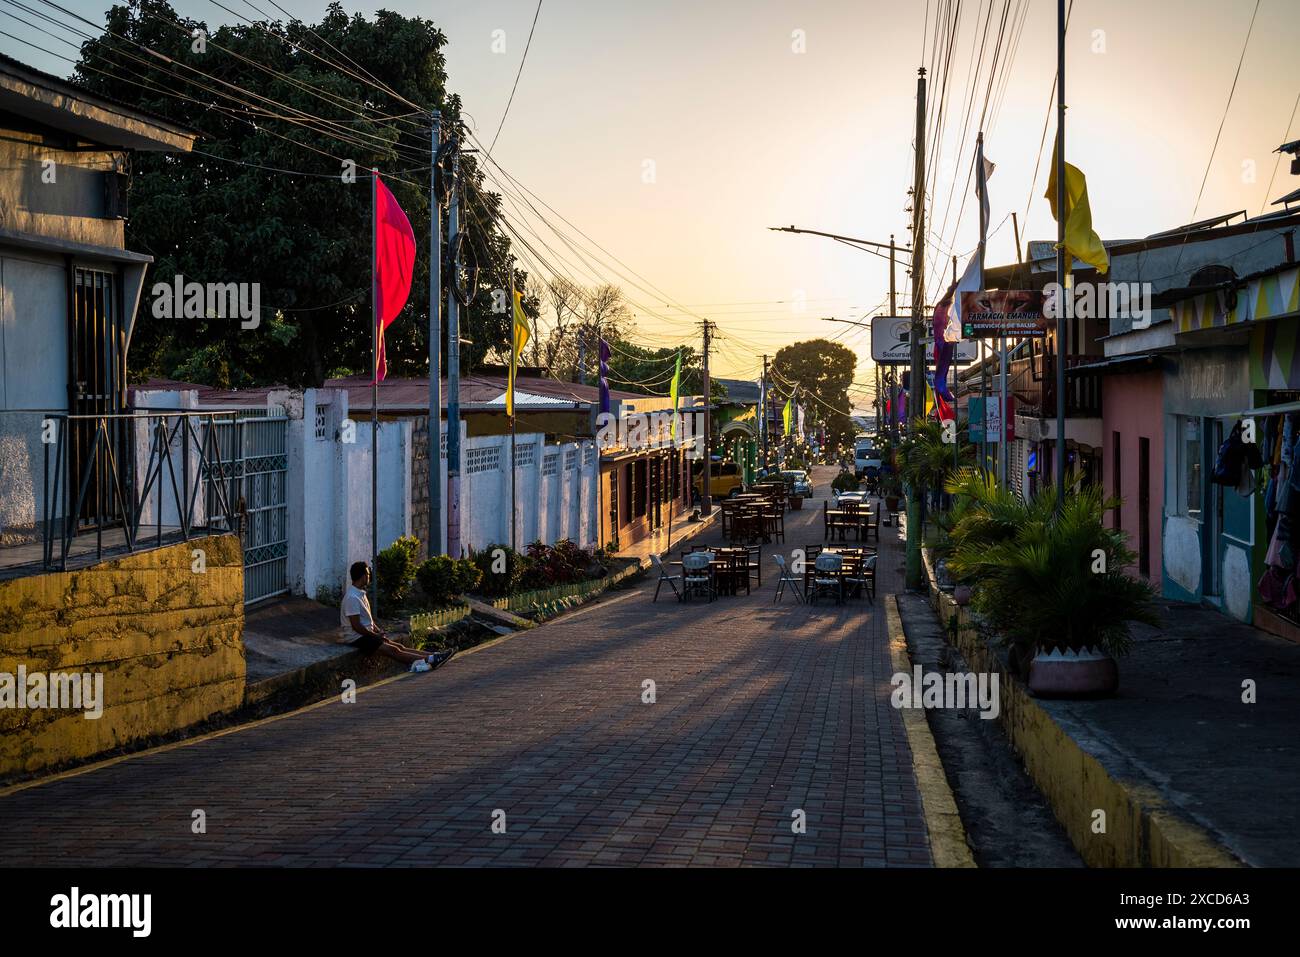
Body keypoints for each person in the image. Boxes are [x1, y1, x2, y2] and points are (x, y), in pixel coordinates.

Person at [340, 561, 453, 673]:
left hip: (366, 635)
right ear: (363, 576)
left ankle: (434, 655)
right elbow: (356, 626)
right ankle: (431, 660)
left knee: (399, 646)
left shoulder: (360, 594)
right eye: (368, 574)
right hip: (357, 638)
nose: (369, 577)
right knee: (394, 650)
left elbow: (367, 620)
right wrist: (374, 635)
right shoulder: (352, 597)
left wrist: (377, 630)